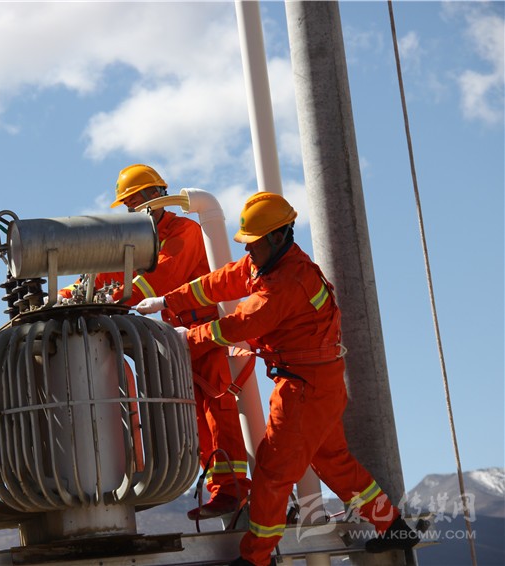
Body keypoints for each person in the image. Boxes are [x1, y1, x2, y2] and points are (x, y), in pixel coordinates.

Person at [136, 191, 419, 565]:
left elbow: (239, 324)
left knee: (272, 473)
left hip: (303, 390)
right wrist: (168, 301)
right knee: (333, 462)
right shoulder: (270, 263)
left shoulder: (287, 283)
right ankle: (394, 528)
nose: (247, 250)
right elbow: (220, 281)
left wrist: (188, 338)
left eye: (253, 243)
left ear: (277, 236)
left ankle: (256, 558)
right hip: (318, 385)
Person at [61, 164, 252, 520]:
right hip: (179, 338)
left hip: (208, 332)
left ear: (158, 195)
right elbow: (101, 275)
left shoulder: (184, 231)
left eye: (136, 200)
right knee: (191, 416)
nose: (133, 208)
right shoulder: (135, 240)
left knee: (218, 410)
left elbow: (161, 278)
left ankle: (232, 488)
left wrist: (112, 298)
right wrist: (66, 296)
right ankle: (221, 488)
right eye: (128, 203)